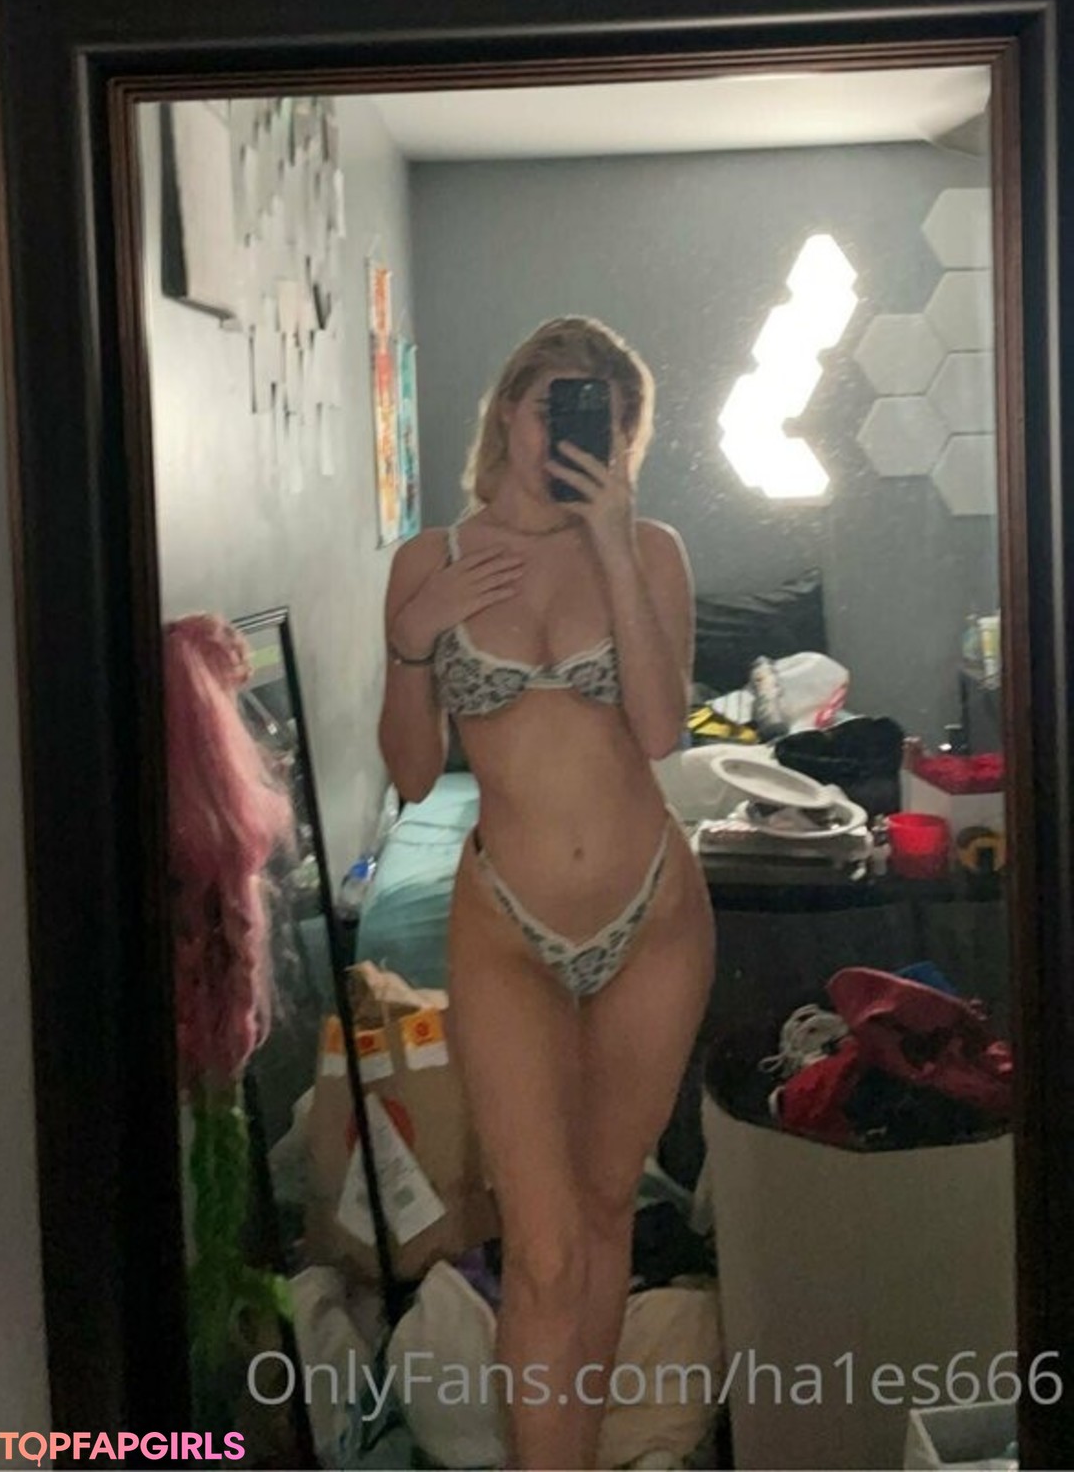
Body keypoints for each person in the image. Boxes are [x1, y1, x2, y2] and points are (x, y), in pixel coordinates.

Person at [378, 316, 716, 1471]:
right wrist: (413, 641)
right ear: (508, 412)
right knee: (545, 1244)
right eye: (554, 406)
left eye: (603, 416)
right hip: (508, 927)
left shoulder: (652, 548)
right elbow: (411, 774)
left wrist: (612, 545)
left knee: (609, 1206)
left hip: (653, 916)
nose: (571, 432)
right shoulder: (430, 561)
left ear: (624, 435)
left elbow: (663, 731)